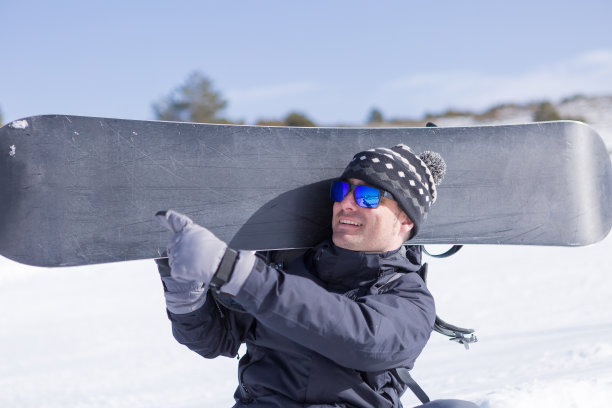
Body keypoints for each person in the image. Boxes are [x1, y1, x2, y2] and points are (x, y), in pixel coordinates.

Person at [155, 144, 478, 408]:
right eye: (342, 191)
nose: (347, 204)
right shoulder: (288, 267)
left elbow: (361, 339)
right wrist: (184, 290)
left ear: (406, 220)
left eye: (368, 197)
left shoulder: (409, 298)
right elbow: (215, 341)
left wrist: (235, 271)